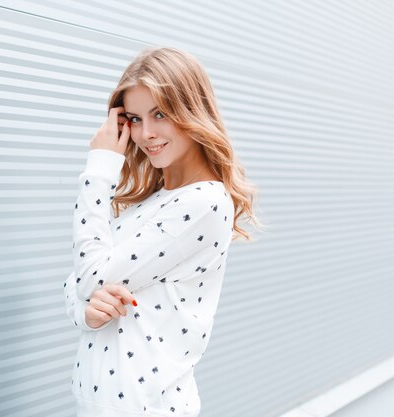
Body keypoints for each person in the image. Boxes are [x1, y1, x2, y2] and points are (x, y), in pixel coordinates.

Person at [63, 46, 263, 417]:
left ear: (192, 111)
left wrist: (100, 167)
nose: (146, 133)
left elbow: (89, 277)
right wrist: (87, 313)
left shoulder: (203, 202)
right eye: (135, 119)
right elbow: (74, 282)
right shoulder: (151, 203)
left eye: (161, 114)